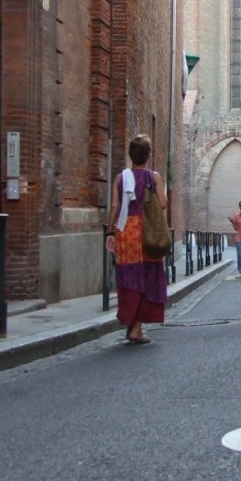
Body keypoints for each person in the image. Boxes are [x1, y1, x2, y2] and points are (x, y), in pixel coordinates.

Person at [105, 134, 167, 345]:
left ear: (131, 155)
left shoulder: (121, 178)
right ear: (148, 155)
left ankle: (130, 322)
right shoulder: (154, 177)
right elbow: (163, 203)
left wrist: (110, 232)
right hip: (147, 234)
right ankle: (137, 328)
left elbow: (114, 207)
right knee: (148, 278)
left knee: (129, 278)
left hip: (126, 233)